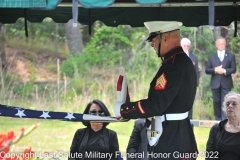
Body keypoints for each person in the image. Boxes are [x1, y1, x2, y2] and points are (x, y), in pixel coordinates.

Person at [114, 21, 198, 160]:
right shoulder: (183, 61)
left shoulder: (173, 65)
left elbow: (156, 105)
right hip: (181, 136)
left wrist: (124, 109)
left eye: (153, 40)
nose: (152, 44)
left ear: (165, 38)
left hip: (171, 141)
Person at [205, 37, 236, 120]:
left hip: (226, 83)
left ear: (225, 45)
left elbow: (233, 69)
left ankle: (225, 120)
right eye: (219, 44)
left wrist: (224, 71)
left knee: (226, 102)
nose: (221, 45)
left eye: (223, 44)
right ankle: (218, 120)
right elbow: (207, 70)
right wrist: (215, 70)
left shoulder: (230, 56)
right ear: (216, 45)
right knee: (216, 102)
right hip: (215, 84)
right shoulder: (212, 57)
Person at [206, 91, 240, 160]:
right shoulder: (216, 129)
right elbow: (209, 155)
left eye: (234, 104)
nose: (230, 106)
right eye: (227, 104)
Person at [181, 37, 199, 119]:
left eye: (188, 46)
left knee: (189, 103)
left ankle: (190, 120)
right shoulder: (175, 56)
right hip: (179, 85)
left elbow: (196, 72)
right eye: (184, 46)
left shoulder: (194, 57)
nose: (186, 47)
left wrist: (196, 83)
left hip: (190, 85)